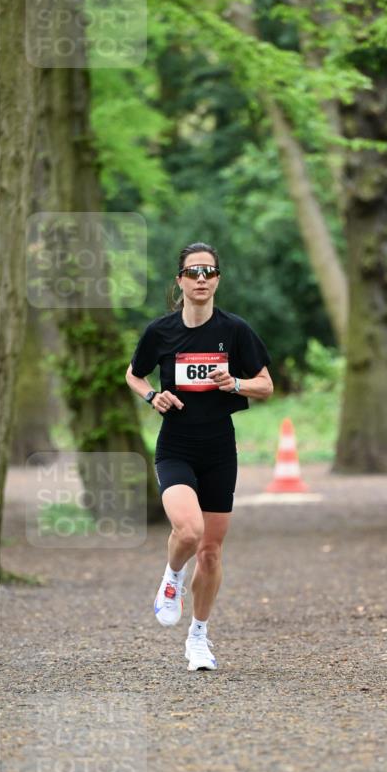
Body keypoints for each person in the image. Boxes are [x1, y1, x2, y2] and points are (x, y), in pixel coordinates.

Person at [126, 242, 273, 670]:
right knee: (189, 532)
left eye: (209, 271)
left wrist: (236, 384)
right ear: (180, 280)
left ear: (218, 280)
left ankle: (198, 637)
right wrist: (153, 396)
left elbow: (265, 384)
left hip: (219, 449)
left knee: (210, 552)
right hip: (176, 447)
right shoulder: (161, 332)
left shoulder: (235, 331)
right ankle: (172, 577)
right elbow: (134, 375)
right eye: (193, 272)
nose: (201, 279)